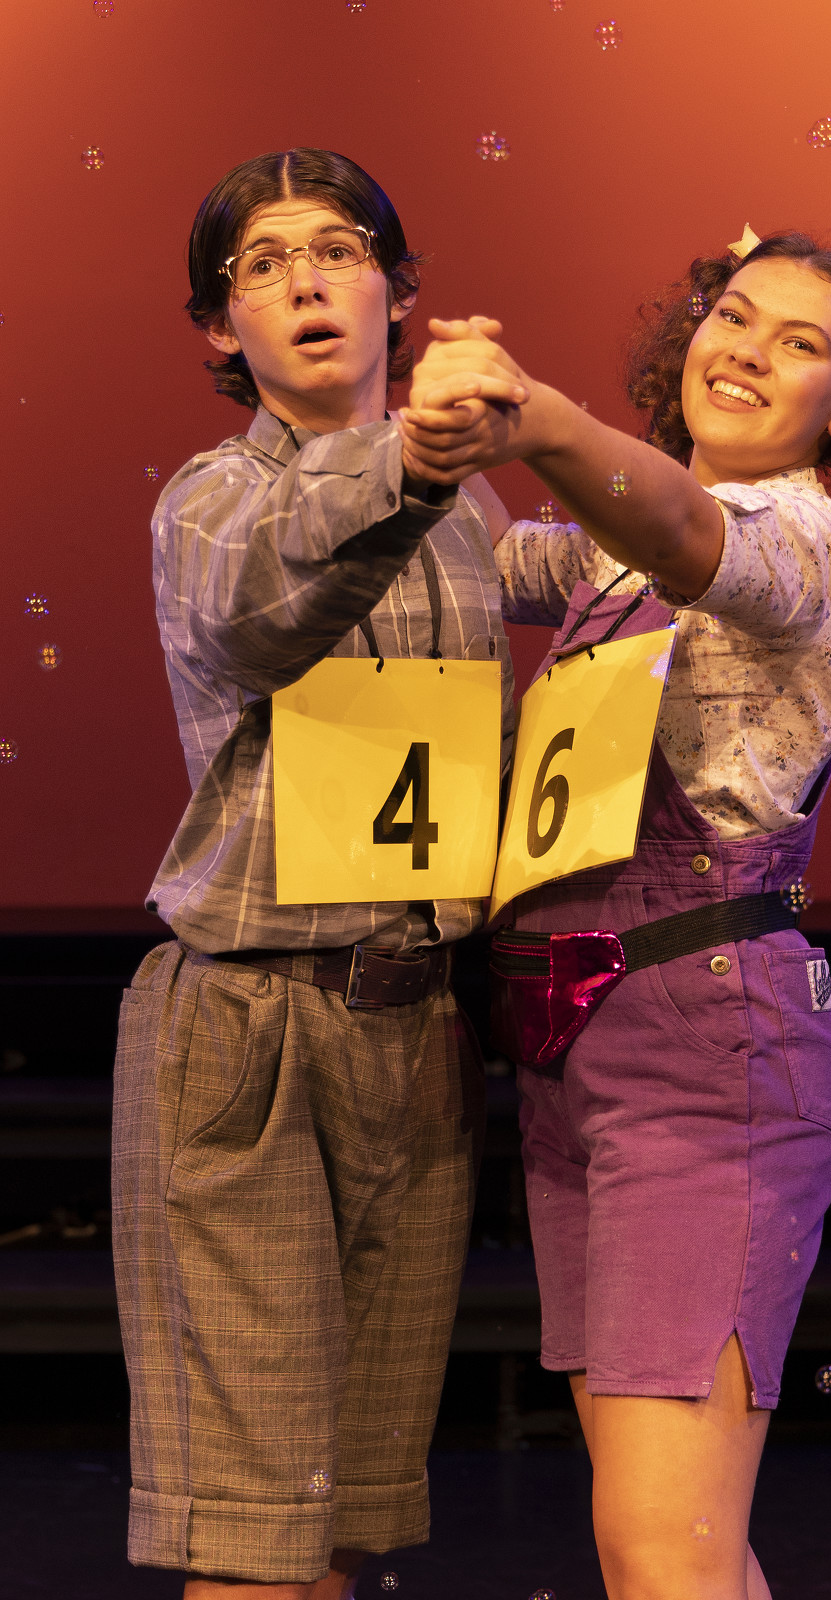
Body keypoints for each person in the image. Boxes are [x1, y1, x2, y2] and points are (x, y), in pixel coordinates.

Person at [398, 229, 831, 1600]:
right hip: (576, 1045)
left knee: (659, 1551)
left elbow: (688, 535)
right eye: (736, 316)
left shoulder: (805, 540)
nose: (749, 353)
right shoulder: (605, 560)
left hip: (705, 1051)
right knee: (677, 1546)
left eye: (802, 344)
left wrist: (537, 416)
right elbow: (477, 555)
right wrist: (417, 409)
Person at [110, 148, 522, 1599]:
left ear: (400, 294)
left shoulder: (470, 515)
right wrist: (412, 457)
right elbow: (263, 606)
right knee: (255, 1537)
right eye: (263, 263)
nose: (304, 279)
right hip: (254, 1031)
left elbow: (595, 573)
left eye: (337, 249)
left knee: (348, 1518)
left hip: (418, 1033)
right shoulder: (213, 499)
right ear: (221, 325)